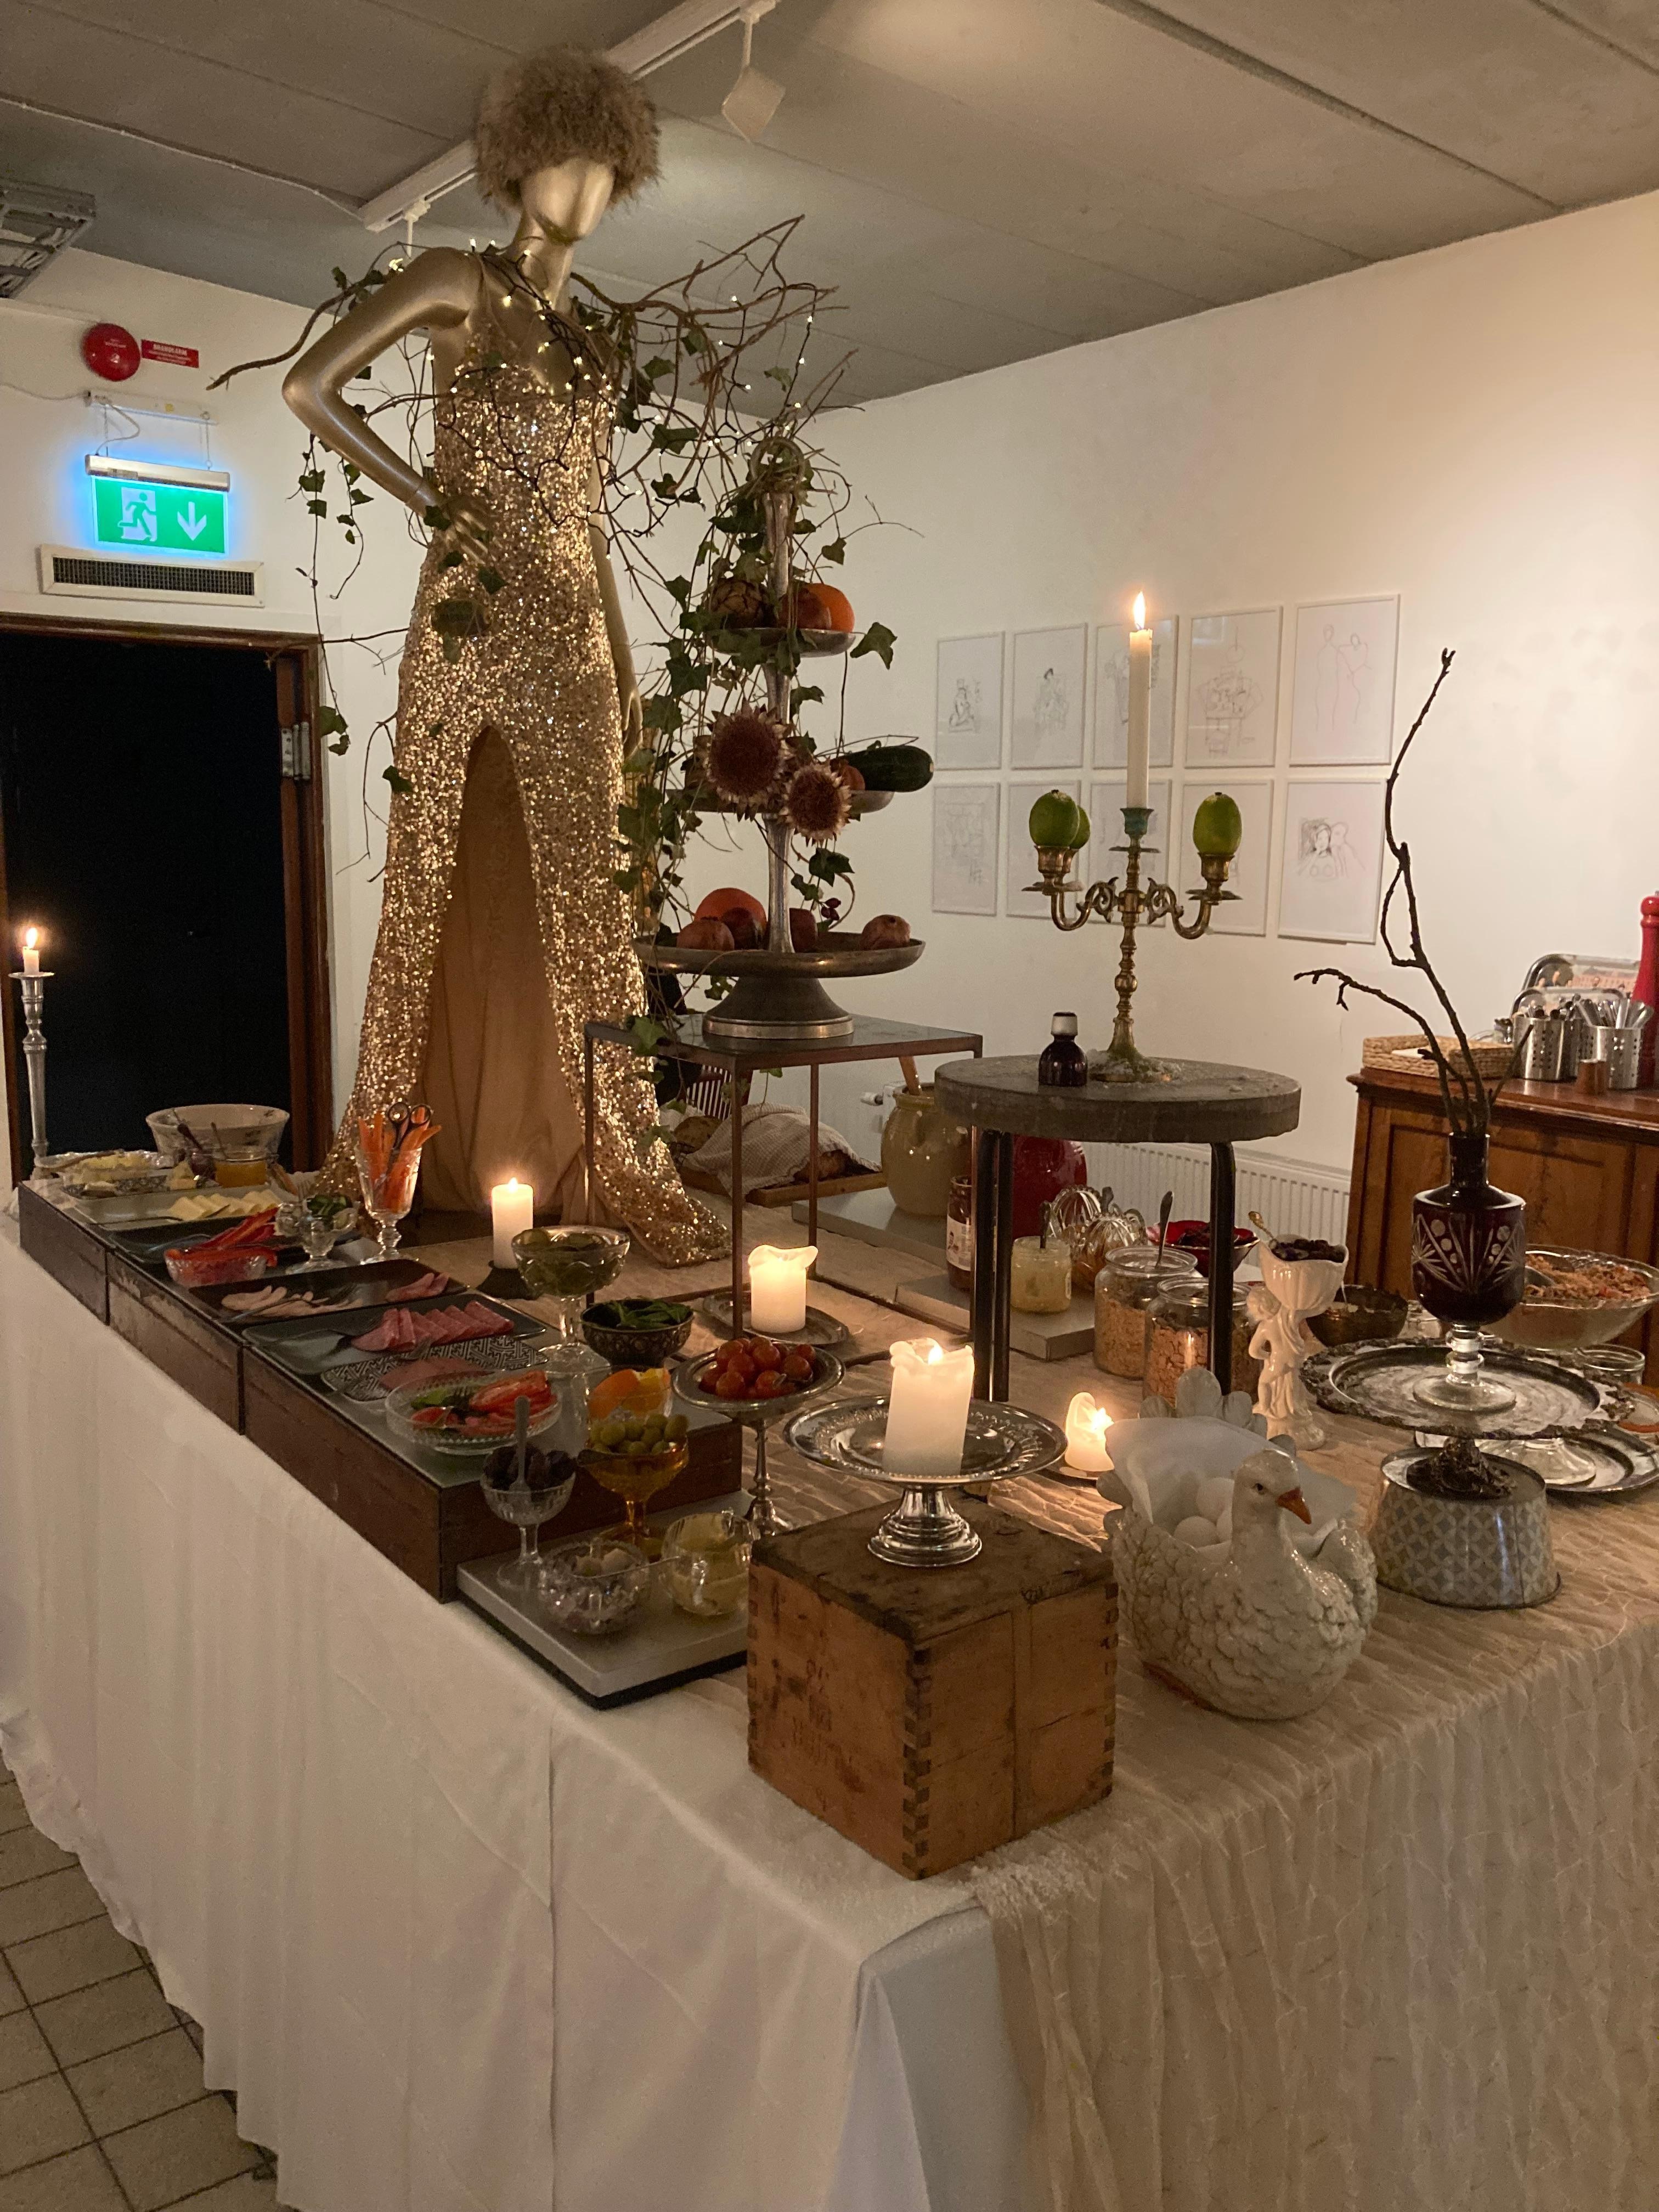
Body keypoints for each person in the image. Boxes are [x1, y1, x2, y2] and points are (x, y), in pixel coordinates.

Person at [284, 48, 723, 1261]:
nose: (581, 189)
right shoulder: (458, 280)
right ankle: (394, 1157)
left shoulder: (591, 342)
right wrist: (430, 496)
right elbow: (312, 387)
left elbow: (584, 520)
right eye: (562, 161)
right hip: (472, 614)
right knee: (434, 870)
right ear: (519, 166)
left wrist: (625, 669)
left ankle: (605, 1158)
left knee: (591, 897)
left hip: (574, 627)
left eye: (604, 169)